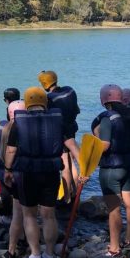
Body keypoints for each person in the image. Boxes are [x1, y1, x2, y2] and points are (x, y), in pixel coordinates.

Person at [4, 87, 64, 258]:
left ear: (27, 104)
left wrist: (7, 170)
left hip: (27, 173)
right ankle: (49, 254)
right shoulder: (57, 121)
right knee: (49, 215)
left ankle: (35, 255)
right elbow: (70, 144)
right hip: (51, 172)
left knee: (29, 215)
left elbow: (11, 149)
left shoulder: (18, 123)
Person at [92, 84, 130, 257]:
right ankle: (129, 239)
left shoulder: (107, 118)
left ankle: (114, 247)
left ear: (104, 99)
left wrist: (95, 139)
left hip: (111, 168)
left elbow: (104, 146)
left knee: (114, 209)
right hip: (129, 164)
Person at [38, 71, 80, 203]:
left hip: (60, 133)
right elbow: (76, 110)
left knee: (65, 166)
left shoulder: (48, 98)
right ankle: (76, 193)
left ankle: (67, 198)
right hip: (72, 127)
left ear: (44, 84)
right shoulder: (70, 90)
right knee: (71, 163)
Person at [0, 100, 26, 258]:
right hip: (20, 174)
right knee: (22, 211)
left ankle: (13, 245)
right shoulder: (25, 129)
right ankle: (23, 239)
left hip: (5, 172)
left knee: (14, 209)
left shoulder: (2, 128)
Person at [0, 88, 21, 225]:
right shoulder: (27, 123)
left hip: (8, 166)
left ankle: (8, 215)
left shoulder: (4, 126)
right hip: (22, 166)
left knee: (4, 188)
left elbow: (1, 147)